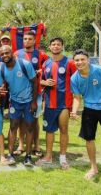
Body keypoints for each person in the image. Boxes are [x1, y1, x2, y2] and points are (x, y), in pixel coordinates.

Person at [70, 49, 101, 189]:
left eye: (82, 59)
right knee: (89, 139)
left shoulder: (100, 71)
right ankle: (94, 168)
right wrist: (74, 111)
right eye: (77, 60)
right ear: (74, 62)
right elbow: (77, 97)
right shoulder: (74, 78)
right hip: (89, 110)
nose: (79, 62)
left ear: (88, 60)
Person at [36, 37, 76, 170]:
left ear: (62, 46)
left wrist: (76, 100)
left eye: (58, 44)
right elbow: (40, 81)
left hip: (64, 103)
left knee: (64, 129)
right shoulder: (46, 63)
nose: (56, 46)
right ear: (50, 47)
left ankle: (63, 157)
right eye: (53, 44)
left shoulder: (69, 63)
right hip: (49, 103)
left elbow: (77, 80)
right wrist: (45, 83)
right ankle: (48, 156)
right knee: (49, 131)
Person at [0, 45, 38, 166]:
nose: (4, 56)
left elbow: (35, 82)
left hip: (29, 101)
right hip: (14, 102)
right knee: (13, 127)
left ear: (12, 53)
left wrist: (34, 101)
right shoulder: (0, 70)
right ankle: (11, 155)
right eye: (2, 54)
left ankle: (28, 156)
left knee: (30, 127)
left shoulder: (25, 64)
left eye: (7, 53)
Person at [15, 31, 48, 157]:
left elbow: (48, 68)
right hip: (20, 91)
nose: (27, 41)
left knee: (35, 119)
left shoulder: (41, 55)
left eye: (30, 39)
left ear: (34, 41)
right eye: (25, 39)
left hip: (36, 92)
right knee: (21, 120)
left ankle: (37, 145)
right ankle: (21, 145)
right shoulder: (17, 54)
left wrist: (41, 71)